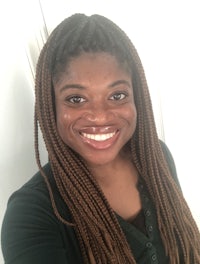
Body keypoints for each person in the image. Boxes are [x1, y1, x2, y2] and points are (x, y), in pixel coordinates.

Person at [1, 13, 200, 264]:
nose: (100, 116)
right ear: (51, 107)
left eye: (117, 95)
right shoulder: (30, 215)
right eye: (76, 99)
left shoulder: (157, 157)